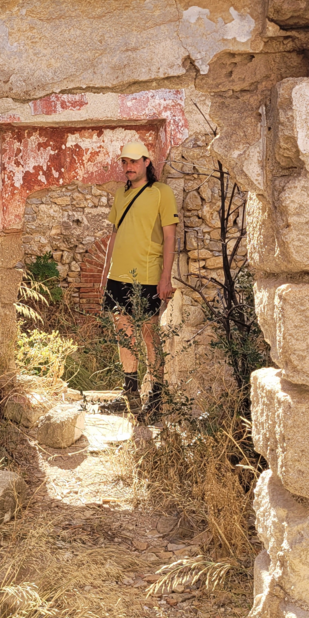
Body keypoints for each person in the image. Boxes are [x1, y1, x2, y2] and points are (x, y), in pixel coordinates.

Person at [99, 140, 178, 422]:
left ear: (147, 162)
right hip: (118, 276)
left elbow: (170, 236)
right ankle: (130, 395)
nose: (128, 167)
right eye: (124, 162)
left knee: (149, 335)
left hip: (147, 276)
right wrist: (105, 272)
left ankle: (155, 400)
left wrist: (165, 277)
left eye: (133, 161)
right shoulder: (121, 194)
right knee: (124, 335)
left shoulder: (161, 193)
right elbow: (115, 234)